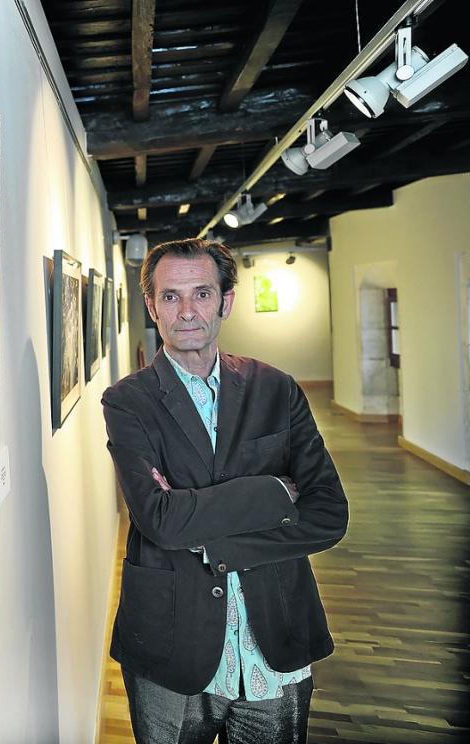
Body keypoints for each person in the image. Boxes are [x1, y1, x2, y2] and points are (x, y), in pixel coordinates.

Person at [101, 238, 348, 744]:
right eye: (170, 297)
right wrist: (275, 493)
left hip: (272, 635)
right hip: (172, 637)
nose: (186, 312)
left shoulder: (275, 389)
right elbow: (160, 520)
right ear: (151, 304)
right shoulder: (128, 402)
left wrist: (211, 541)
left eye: (202, 294)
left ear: (226, 301)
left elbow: (328, 514)